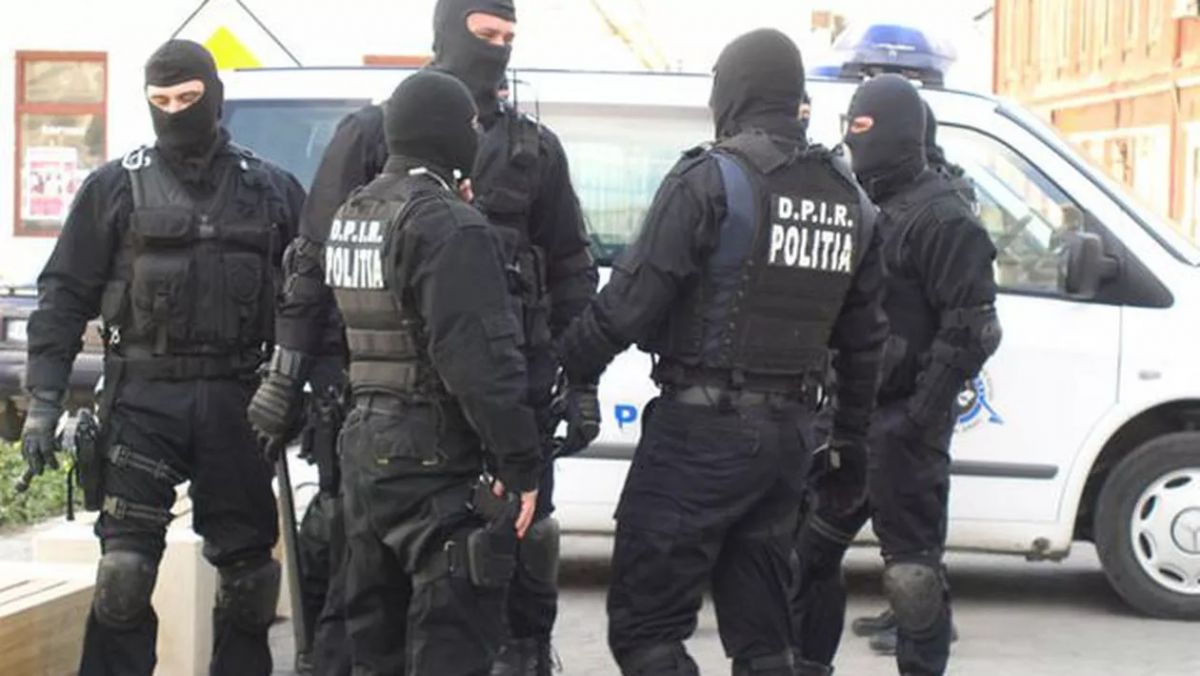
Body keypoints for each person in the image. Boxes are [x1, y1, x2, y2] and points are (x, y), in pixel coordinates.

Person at [248, 3, 598, 674]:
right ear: (446, 32)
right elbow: (313, 260)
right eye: (484, 34)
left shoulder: (533, 149)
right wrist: (284, 376)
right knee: (375, 608)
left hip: (507, 402)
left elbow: (570, 270)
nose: (497, 50)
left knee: (515, 587)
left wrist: (580, 383)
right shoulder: (375, 132)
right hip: (397, 404)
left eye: (508, 37)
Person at [556, 29, 887, 676]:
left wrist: (560, 370)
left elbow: (628, 304)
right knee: (764, 638)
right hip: (788, 443)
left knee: (646, 631)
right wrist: (849, 443)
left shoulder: (711, 179)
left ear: (734, 90)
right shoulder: (853, 202)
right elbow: (865, 344)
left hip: (699, 435)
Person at [18, 40, 305, 676]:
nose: (175, 112)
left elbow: (312, 299)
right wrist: (43, 402)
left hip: (239, 402)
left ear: (214, 97)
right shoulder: (114, 187)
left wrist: (308, 388)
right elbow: (63, 295)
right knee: (122, 577)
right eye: (161, 101)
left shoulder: (271, 189)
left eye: (188, 98)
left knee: (250, 581)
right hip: (143, 401)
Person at [324, 68, 543, 675]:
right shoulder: (448, 223)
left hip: (364, 452)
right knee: (450, 645)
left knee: (376, 650)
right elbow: (479, 364)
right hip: (435, 461)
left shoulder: (354, 212)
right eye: (470, 125)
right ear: (448, 133)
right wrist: (521, 466)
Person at [789, 74, 1001, 676]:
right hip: (845, 418)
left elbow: (974, 329)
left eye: (865, 126)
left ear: (899, 130)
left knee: (912, 579)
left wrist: (918, 417)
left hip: (905, 429)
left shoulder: (943, 217)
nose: (854, 139)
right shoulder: (857, 203)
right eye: (849, 126)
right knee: (803, 558)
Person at [848, 99, 971, 658]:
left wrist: (920, 411)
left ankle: (921, 625)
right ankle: (901, 613)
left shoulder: (941, 205)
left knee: (915, 542)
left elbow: (969, 325)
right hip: (870, 399)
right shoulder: (887, 193)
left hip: (911, 398)